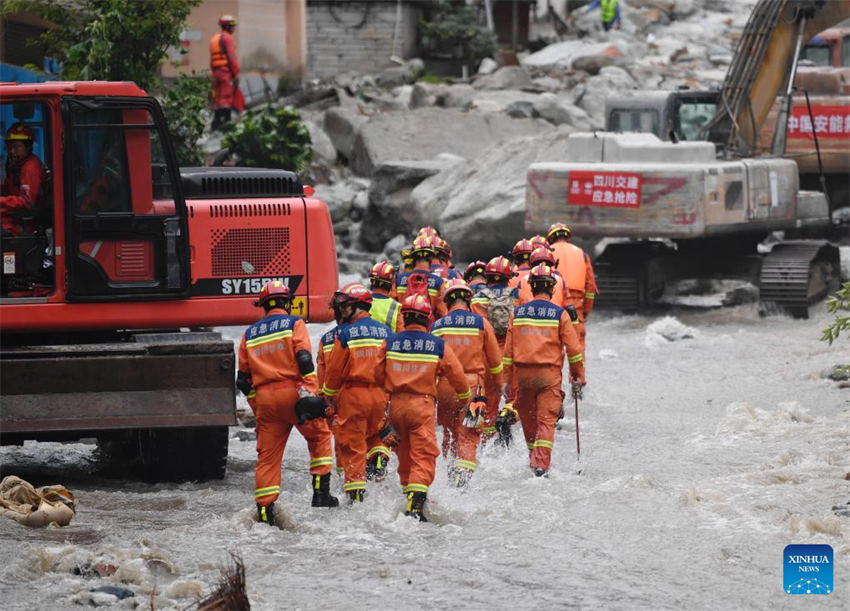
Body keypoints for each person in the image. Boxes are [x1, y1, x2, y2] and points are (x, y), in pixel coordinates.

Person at [237, 280, 338, 526]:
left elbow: (243, 380)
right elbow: (304, 359)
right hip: (294, 393)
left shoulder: (249, 334)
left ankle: (264, 512)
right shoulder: (295, 323)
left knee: (268, 458)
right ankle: (321, 494)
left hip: (265, 400)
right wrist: (310, 394)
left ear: (263, 305)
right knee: (320, 437)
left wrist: (257, 405)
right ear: (287, 302)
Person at [382, 294, 470, 521]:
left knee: (403, 453)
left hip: (396, 405)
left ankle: (408, 494)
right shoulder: (437, 345)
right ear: (427, 318)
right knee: (423, 454)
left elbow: (375, 373)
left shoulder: (390, 342)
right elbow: (457, 375)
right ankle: (416, 504)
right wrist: (465, 398)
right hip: (422, 405)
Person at [502, 264, 585, 477]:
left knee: (529, 420)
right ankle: (540, 466)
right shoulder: (560, 314)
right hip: (548, 376)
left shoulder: (517, 313)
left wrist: (505, 380)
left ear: (531, 287)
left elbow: (508, 353)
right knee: (545, 421)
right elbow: (574, 350)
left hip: (523, 377)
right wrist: (578, 375)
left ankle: (533, 459)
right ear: (552, 289)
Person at [320, 283, 393, 502]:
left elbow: (333, 372)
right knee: (376, 432)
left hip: (353, 396)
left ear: (358, 306)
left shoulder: (345, 334)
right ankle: (379, 455)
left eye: (345, 306)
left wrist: (327, 398)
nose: (341, 311)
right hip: (380, 396)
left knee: (353, 448)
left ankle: (356, 500)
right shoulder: (387, 332)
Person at [431, 279, 503, 486]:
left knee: (449, 433)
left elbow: (430, 363)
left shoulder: (437, 326)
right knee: (469, 435)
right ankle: (462, 481)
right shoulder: (481, 323)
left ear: (447, 302)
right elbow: (495, 363)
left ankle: (449, 473)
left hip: (444, 388)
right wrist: (498, 388)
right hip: (474, 390)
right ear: (468, 300)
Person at [471, 255, 518, 437]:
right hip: (510, 352)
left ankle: (486, 440)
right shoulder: (517, 296)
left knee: (488, 400)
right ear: (508, 277)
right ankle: (506, 427)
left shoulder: (476, 300)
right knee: (513, 397)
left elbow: (478, 330)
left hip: (487, 355)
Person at [547, 222, 597, 355]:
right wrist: (585, 311)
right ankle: (578, 376)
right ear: (568, 237)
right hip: (576, 307)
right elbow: (590, 287)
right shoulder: (582, 254)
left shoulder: (545, 253)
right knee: (577, 350)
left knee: (551, 348)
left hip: (554, 304)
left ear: (551, 238)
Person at [1, 123, 46, 236]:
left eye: (16, 146)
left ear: (28, 146)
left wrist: (1, 201)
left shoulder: (30, 168)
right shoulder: (18, 165)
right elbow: (8, 189)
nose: (11, 151)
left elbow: (27, 202)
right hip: (15, 215)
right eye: (9, 147)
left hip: (25, 222)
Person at [395, 235, 447, 323]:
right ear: (431, 257)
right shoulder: (438, 282)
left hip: (403, 328)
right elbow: (442, 312)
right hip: (427, 330)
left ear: (413, 258)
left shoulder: (400, 279)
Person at [209, 14, 243, 131]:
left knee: (219, 98)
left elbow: (212, 61)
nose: (234, 28)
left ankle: (216, 123)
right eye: (232, 26)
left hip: (216, 73)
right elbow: (232, 57)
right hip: (225, 72)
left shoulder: (215, 38)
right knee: (227, 98)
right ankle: (226, 124)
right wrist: (236, 73)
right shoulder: (228, 38)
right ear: (228, 27)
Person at [368, 260, 403, 332]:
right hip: (388, 342)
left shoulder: (361, 302)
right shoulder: (397, 307)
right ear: (392, 282)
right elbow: (401, 334)